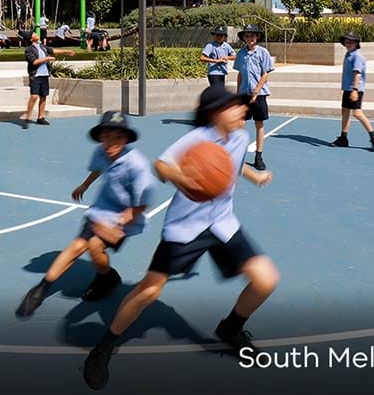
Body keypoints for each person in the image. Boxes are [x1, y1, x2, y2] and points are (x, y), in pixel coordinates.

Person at [82, 84, 277, 390]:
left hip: (222, 223)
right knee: (148, 293)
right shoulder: (196, 140)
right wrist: (183, 177)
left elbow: (232, 167)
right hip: (186, 227)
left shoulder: (240, 137)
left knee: (265, 280)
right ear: (215, 114)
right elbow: (160, 166)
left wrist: (256, 175)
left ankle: (231, 328)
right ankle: (103, 347)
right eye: (235, 106)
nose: (243, 109)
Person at [16, 111, 155, 318]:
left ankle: (106, 278)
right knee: (77, 246)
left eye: (117, 137)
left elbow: (144, 200)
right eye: (106, 136)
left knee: (95, 247)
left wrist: (120, 223)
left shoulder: (137, 165)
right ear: (100, 138)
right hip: (101, 208)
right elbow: (99, 169)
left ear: (125, 139)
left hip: (124, 215)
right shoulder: (101, 152)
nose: (111, 142)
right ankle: (40, 290)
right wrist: (85, 185)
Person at [333, 33, 374, 152]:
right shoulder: (348, 54)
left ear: (356, 44)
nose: (348, 44)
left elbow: (357, 73)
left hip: (355, 89)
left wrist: (355, 90)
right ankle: (343, 138)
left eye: (350, 42)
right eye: (346, 42)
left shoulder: (357, 56)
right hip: (347, 88)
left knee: (357, 113)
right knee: (345, 111)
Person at [234, 24, 273, 172]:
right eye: (247, 36)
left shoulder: (263, 52)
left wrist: (256, 92)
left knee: (259, 124)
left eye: (252, 36)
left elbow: (265, 74)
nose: (250, 38)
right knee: (240, 124)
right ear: (244, 38)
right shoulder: (241, 53)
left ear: (257, 37)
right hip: (244, 94)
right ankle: (238, 155)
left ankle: (258, 156)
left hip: (259, 94)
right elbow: (240, 74)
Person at [21, 30, 74, 129]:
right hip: (36, 76)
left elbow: (53, 51)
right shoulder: (29, 50)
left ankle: (40, 117)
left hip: (44, 75)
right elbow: (34, 62)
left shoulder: (42, 47)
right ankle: (27, 118)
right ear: (31, 38)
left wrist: (67, 51)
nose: (37, 35)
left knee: (43, 96)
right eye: (34, 34)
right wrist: (47, 59)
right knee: (34, 96)